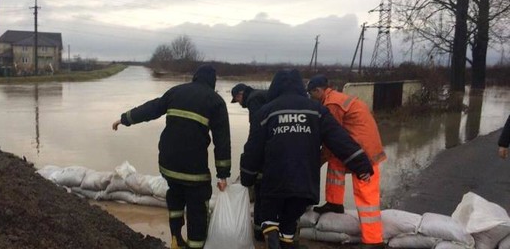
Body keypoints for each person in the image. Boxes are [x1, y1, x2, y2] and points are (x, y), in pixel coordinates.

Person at [240, 69, 374, 249]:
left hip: (274, 181)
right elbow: (339, 139)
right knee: (289, 221)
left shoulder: (265, 112)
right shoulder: (317, 110)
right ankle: (285, 242)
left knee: (269, 217)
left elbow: (253, 149)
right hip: (305, 182)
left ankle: (272, 241)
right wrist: (361, 164)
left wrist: (247, 176)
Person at [112, 64, 231, 249]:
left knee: (175, 197)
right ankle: (195, 245)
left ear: (195, 77)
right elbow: (222, 142)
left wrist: (125, 118)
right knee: (197, 209)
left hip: (168, 164)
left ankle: (176, 239)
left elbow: (151, 109)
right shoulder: (216, 101)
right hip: (194, 170)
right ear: (213, 83)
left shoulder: (176, 91)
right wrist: (223, 174)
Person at [307, 74, 386, 248]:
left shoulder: (331, 104)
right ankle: (334, 203)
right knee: (335, 164)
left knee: (366, 195)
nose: (310, 98)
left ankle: (373, 240)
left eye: (311, 94)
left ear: (318, 91)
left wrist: (315, 162)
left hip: (363, 153)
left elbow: (331, 138)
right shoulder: (335, 98)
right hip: (359, 144)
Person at [230, 83, 268, 241]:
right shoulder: (263, 95)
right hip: (281, 151)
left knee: (260, 191)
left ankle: (259, 233)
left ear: (241, 94)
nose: (239, 103)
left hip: (266, 153)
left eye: (237, 99)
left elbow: (257, 132)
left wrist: (249, 155)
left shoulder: (254, 99)